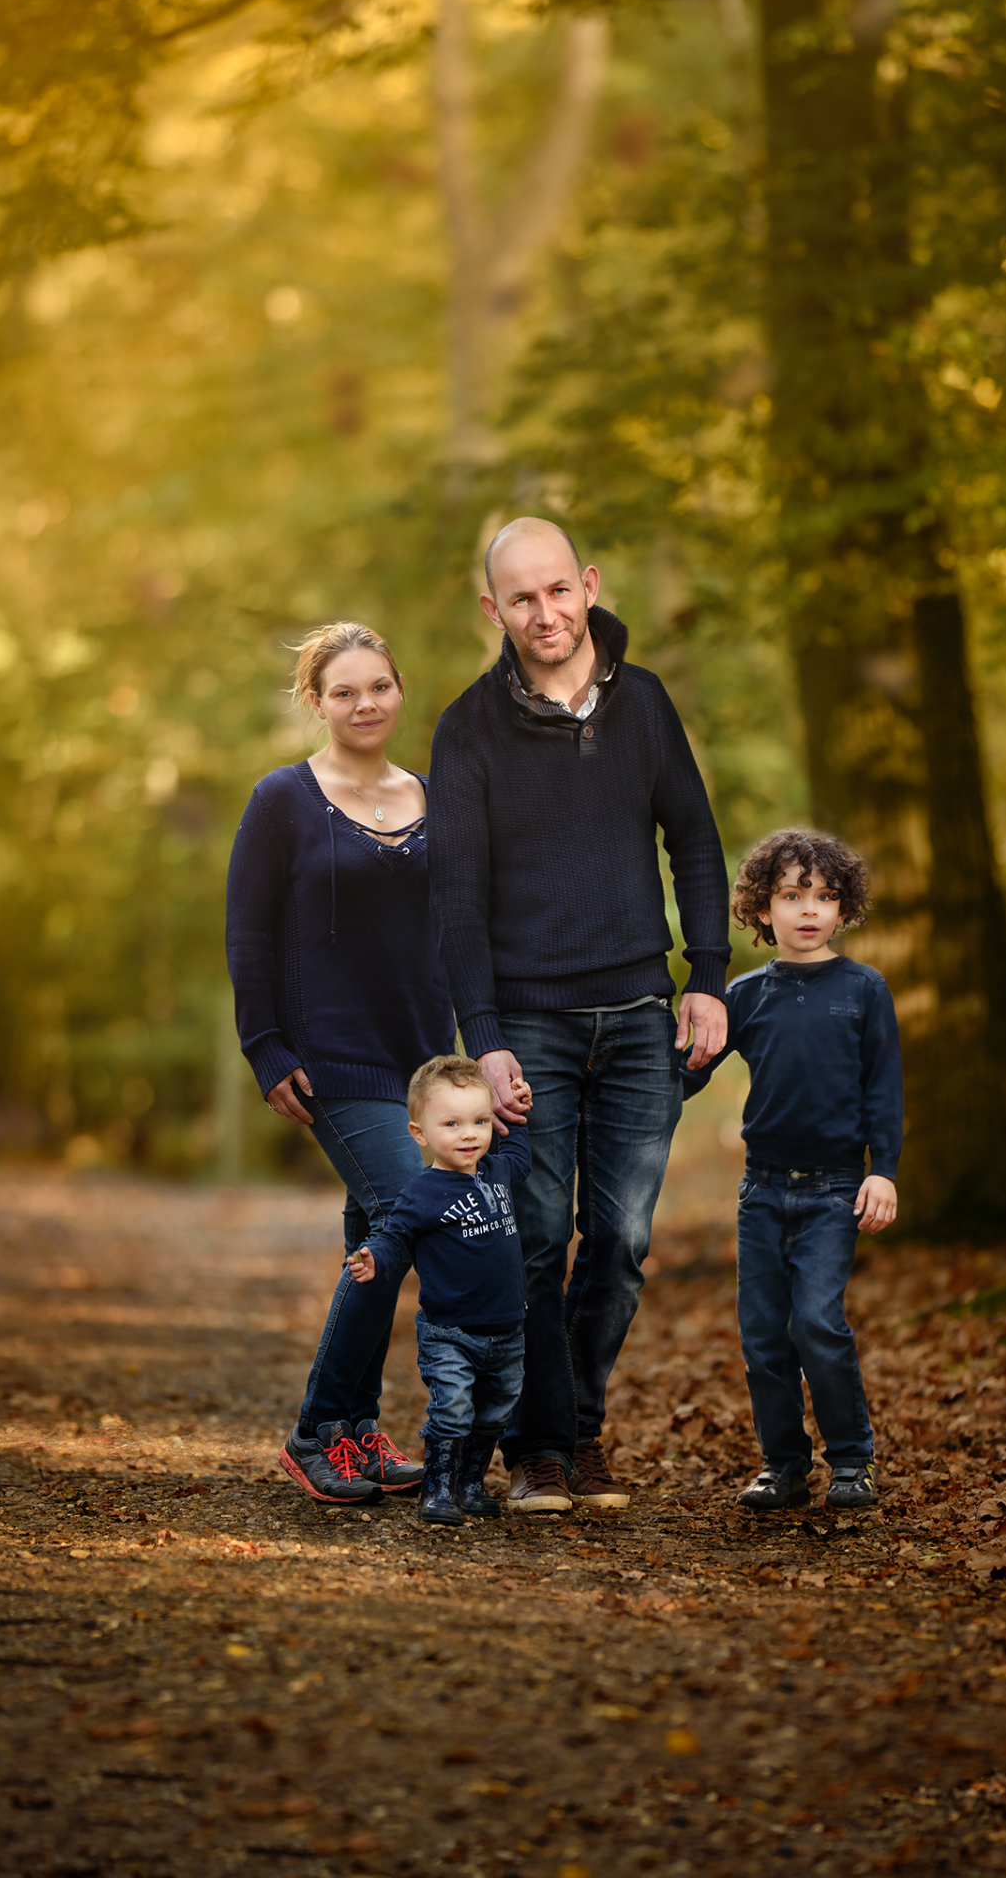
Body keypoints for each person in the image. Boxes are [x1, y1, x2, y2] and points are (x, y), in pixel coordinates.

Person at [429, 516, 731, 1513]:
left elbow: (695, 842)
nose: (545, 612)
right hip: (531, 1025)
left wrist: (707, 976)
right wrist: (486, 1040)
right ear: (495, 610)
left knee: (620, 1245)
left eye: (559, 589)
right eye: (522, 597)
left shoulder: (643, 704)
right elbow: (457, 899)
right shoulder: (468, 728)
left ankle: (578, 1428)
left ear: (589, 585)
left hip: (642, 1016)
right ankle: (542, 1449)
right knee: (532, 1237)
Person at [225, 621, 454, 1504]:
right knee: (407, 1212)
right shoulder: (282, 799)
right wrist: (265, 1045)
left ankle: (357, 1436)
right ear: (317, 702)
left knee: (375, 1238)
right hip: (330, 1052)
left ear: (400, 691)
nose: (366, 704)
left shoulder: (434, 798)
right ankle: (317, 1429)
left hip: (420, 1055)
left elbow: (461, 929)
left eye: (379, 687)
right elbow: (248, 934)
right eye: (345, 691)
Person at [682, 828, 902, 1511]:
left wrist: (884, 1170)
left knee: (816, 1323)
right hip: (762, 1191)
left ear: (844, 909)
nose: (809, 910)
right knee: (763, 1336)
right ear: (762, 908)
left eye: (826, 897)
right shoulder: (746, 995)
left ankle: (852, 1460)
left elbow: (884, 1089)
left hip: (836, 1189)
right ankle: (783, 1465)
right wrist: (658, 1058)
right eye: (791, 895)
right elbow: (689, 1073)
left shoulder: (864, 989)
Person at [347, 1055, 534, 1526]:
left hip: (508, 1329)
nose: (469, 1134)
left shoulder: (496, 1171)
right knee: (452, 1410)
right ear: (420, 1133)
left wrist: (519, 1114)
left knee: (494, 1414)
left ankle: (469, 1485)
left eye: (480, 1121)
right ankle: (437, 1490)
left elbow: (521, 1157)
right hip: (450, 1331)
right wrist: (375, 1257)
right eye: (452, 1124)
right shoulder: (423, 1191)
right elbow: (395, 1235)